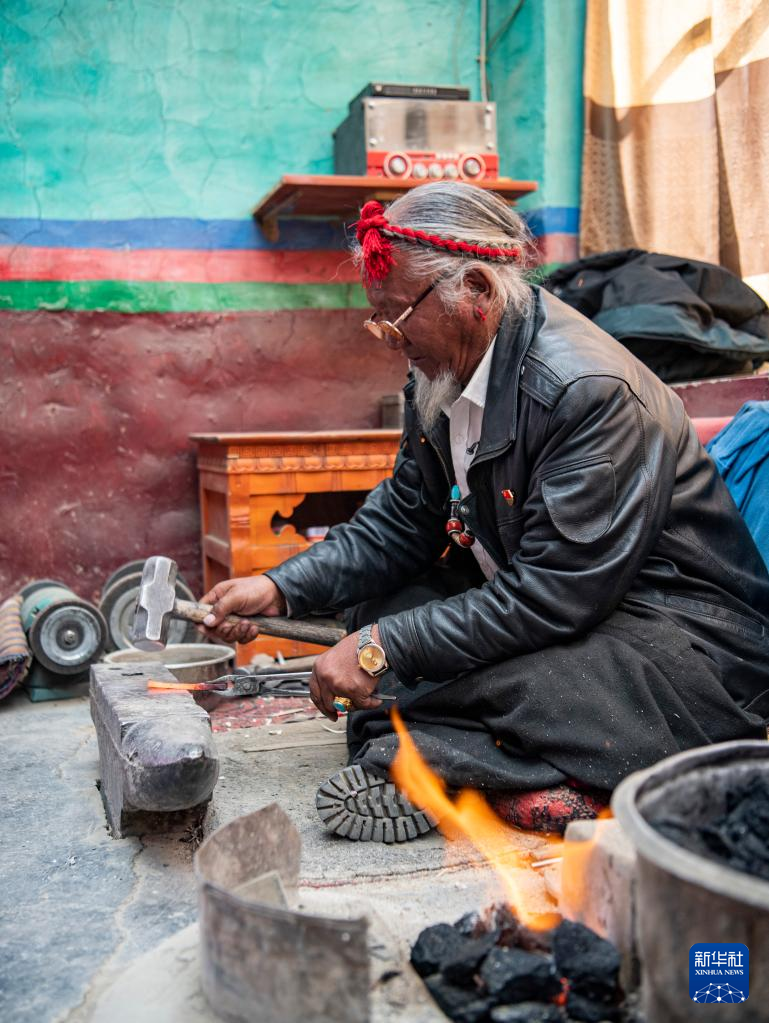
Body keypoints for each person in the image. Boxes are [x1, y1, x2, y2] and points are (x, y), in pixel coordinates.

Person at [201, 181, 769, 842]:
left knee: (467, 667)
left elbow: (554, 595)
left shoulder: (587, 391)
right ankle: (466, 759)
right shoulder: (438, 373)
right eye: (377, 318)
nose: (387, 338)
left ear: (474, 288)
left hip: (675, 644)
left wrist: (387, 647)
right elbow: (402, 522)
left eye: (396, 316)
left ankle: (445, 760)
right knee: (380, 608)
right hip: (560, 606)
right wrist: (280, 588)